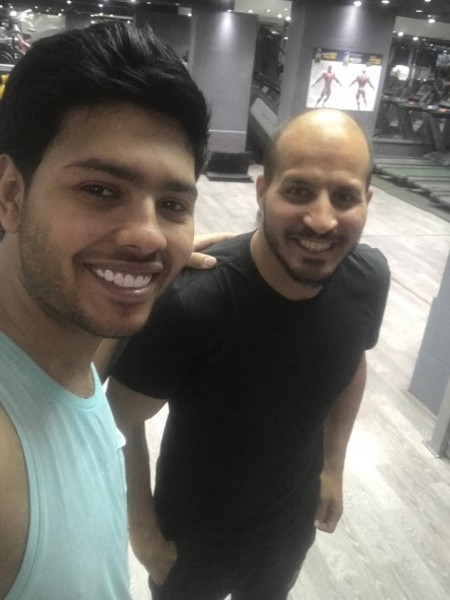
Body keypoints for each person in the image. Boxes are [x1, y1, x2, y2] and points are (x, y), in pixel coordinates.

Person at [107, 108, 390, 600]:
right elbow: (119, 419)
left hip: (290, 525)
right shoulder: (196, 302)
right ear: (262, 191)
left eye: (344, 197)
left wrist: (333, 466)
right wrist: (144, 535)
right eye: (298, 191)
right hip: (192, 539)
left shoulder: (368, 278)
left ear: (367, 201)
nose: (321, 220)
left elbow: (351, 363)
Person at [0, 21, 212, 599]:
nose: (149, 235)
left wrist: (145, 272)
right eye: (99, 190)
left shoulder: (63, 347)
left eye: (172, 204)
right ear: (12, 193)